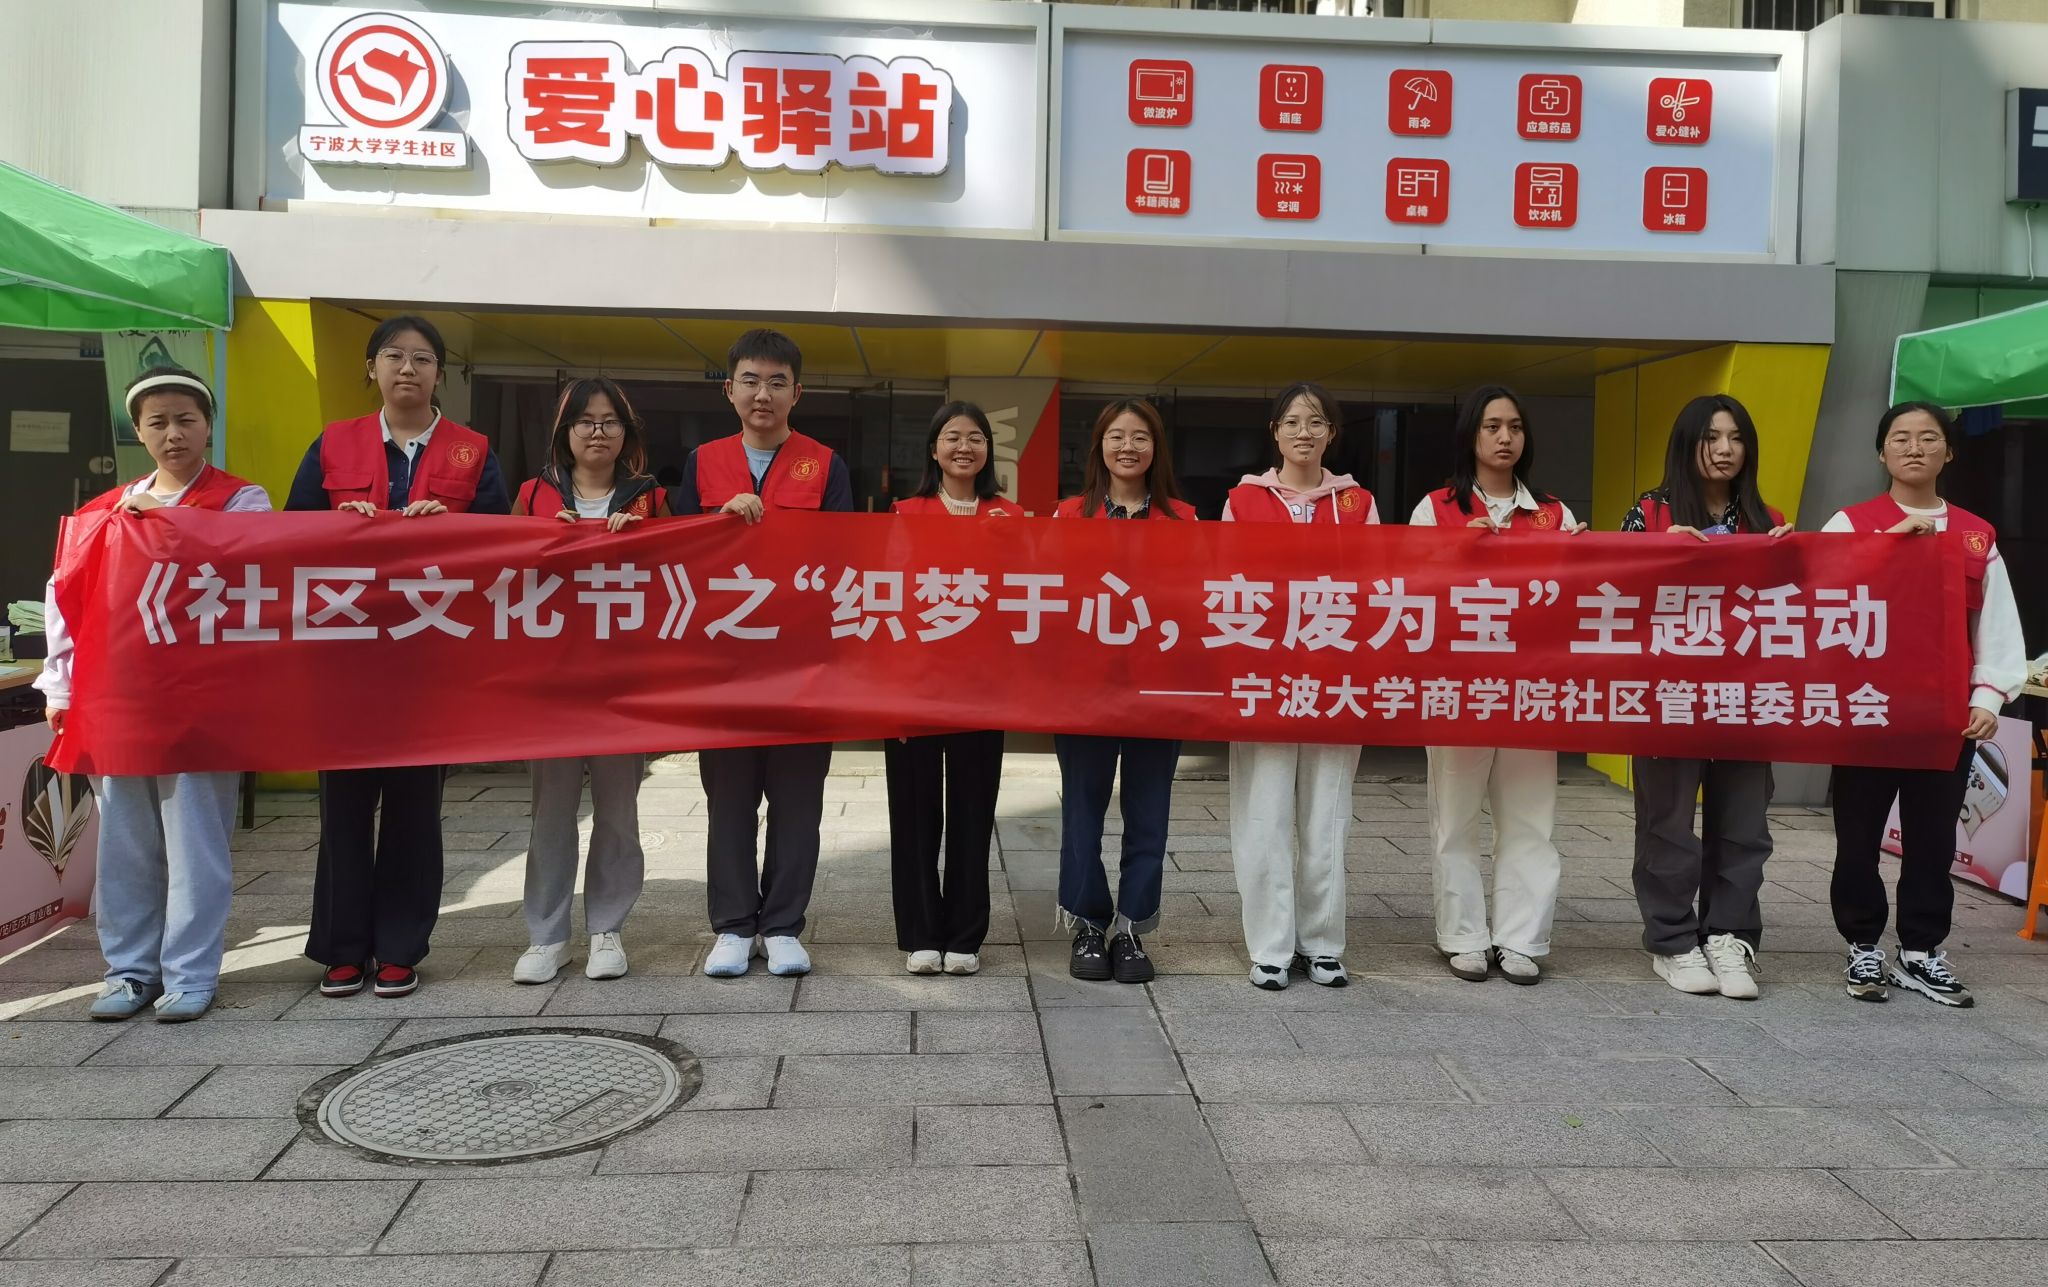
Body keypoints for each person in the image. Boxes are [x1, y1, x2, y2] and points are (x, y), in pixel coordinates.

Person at [284, 314, 510, 1000]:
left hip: (427, 662)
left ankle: (400, 947)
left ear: (441, 373)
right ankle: (343, 947)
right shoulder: (333, 443)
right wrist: (336, 526)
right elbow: (287, 537)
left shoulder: (474, 451)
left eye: (422, 358)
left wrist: (454, 529)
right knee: (345, 806)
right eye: (393, 356)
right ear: (371, 368)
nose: (407, 368)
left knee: (414, 808)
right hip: (346, 657)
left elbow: (503, 546)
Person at [36, 367, 270, 1022]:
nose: (173, 434)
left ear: (208, 426)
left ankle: (191, 973)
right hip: (120, 701)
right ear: (137, 431)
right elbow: (66, 601)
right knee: (125, 843)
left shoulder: (241, 499)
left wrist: (161, 523)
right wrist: (60, 685)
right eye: (158, 422)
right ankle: (129, 970)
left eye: (186, 419)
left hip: (202, 702)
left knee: (196, 840)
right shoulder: (100, 513)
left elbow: (248, 564)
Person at [1824, 401, 2026, 1007]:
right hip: (1868, 711)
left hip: (1945, 718)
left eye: (1929, 438)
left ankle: (1920, 951)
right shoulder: (1850, 523)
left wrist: (1987, 695)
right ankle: (1862, 944)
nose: (1914, 448)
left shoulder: (1976, 534)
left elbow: (1996, 625)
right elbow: (1817, 596)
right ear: (1881, 452)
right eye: (1901, 438)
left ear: (1949, 451)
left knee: (1933, 838)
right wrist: (1884, 547)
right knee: (1857, 835)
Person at [671, 328, 854, 979]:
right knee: (729, 798)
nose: (763, 394)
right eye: (750, 380)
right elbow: (677, 555)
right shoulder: (701, 463)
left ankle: (781, 925)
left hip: (801, 665)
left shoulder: (826, 465)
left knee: (798, 802)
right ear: (729, 389)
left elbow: (842, 561)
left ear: (797, 393)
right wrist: (717, 522)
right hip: (723, 666)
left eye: (778, 382)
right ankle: (731, 924)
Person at [1411, 385, 1587, 986]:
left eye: (1514, 426)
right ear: (1471, 436)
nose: (1505, 437)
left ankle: (1521, 937)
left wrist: (1581, 558)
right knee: (1454, 816)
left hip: (1533, 687)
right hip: (1458, 686)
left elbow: (1576, 599)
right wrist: (1457, 551)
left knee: (1531, 818)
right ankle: (1463, 935)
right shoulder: (1435, 509)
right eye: (1492, 426)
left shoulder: (1555, 515)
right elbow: (1409, 590)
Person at [1621, 394, 1793, 1000]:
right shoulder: (1650, 512)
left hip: (1747, 697)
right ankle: (1672, 940)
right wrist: (1659, 556)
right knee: (1667, 824)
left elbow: (1798, 611)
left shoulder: (1768, 519)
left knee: (1744, 823)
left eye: (1736, 438)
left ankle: (1729, 935)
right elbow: (1612, 596)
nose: (1725, 450)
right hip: (1668, 696)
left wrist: (1795, 560)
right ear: (1686, 444)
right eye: (1711, 437)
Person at [508, 377, 668, 985]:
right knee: (550, 812)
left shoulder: (650, 498)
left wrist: (642, 544)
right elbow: (500, 574)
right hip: (550, 682)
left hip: (623, 682)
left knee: (618, 811)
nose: (597, 432)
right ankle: (547, 936)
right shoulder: (533, 494)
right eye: (585, 421)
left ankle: (607, 929)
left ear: (626, 433)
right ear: (565, 430)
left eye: (609, 422)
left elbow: (680, 576)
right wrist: (543, 543)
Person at [1221, 382, 1374, 991]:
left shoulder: (1358, 503)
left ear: (1331, 433)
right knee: (1263, 811)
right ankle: (1270, 945)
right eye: (1292, 421)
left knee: (1328, 812)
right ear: (1275, 433)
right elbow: (1227, 583)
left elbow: (1377, 583)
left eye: (1315, 422)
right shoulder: (1242, 501)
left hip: (1336, 678)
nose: (1303, 432)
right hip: (1265, 677)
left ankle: (1323, 942)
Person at [1053, 398, 1196, 984]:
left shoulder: (1185, 520)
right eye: (1116, 436)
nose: (1128, 446)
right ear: (1100, 446)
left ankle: (1132, 928)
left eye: (1140, 437)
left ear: (1156, 448)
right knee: (1081, 812)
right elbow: (1050, 595)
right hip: (1083, 689)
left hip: (1158, 689)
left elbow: (1196, 600)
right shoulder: (1067, 515)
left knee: (1149, 812)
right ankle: (1088, 924)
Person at [886, 402, 1023, 975]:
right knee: (915, 814)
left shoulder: (1011, 517)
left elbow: (1026, 597)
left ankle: (965, 934)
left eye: (975, 438)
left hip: (982, 689)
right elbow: (889, 599)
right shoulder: (905, 512)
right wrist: (889, 692)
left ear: (989, 450)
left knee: (972, 812)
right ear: (934, 450)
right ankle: (921, 934)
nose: (963, 447)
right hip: (916, 687)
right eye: (952, 437)